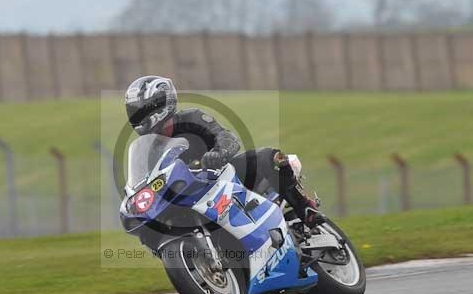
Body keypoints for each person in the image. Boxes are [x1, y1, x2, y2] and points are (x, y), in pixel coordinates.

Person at [124, 75, 325, 228]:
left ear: (161, 104)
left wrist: (218, 154)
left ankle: (304, 207)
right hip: (186, 198)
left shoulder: (192, 118)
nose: (139, 117)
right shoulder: (146, 149)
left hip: (222, 179)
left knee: (267, 156)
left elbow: (227, 138)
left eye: (143, 111)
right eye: (135, 113)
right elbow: (141, 182)